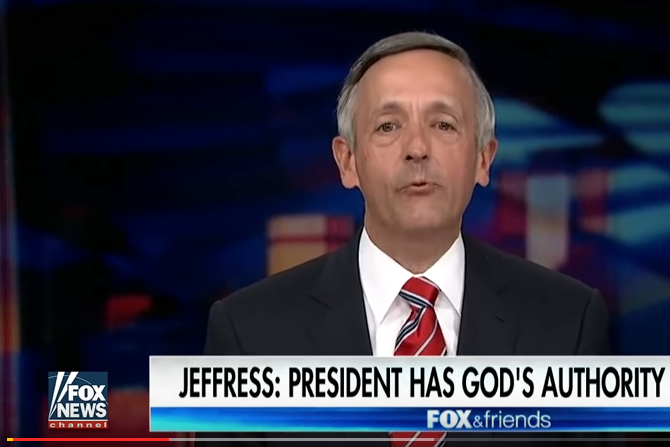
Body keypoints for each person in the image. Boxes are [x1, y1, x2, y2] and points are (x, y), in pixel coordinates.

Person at [199, 31, 612, 447]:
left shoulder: (569, 324)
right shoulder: (248, 334)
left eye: (443, 124)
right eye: (388, 126)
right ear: (347, 162)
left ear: (483, 159)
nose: (417, 148)